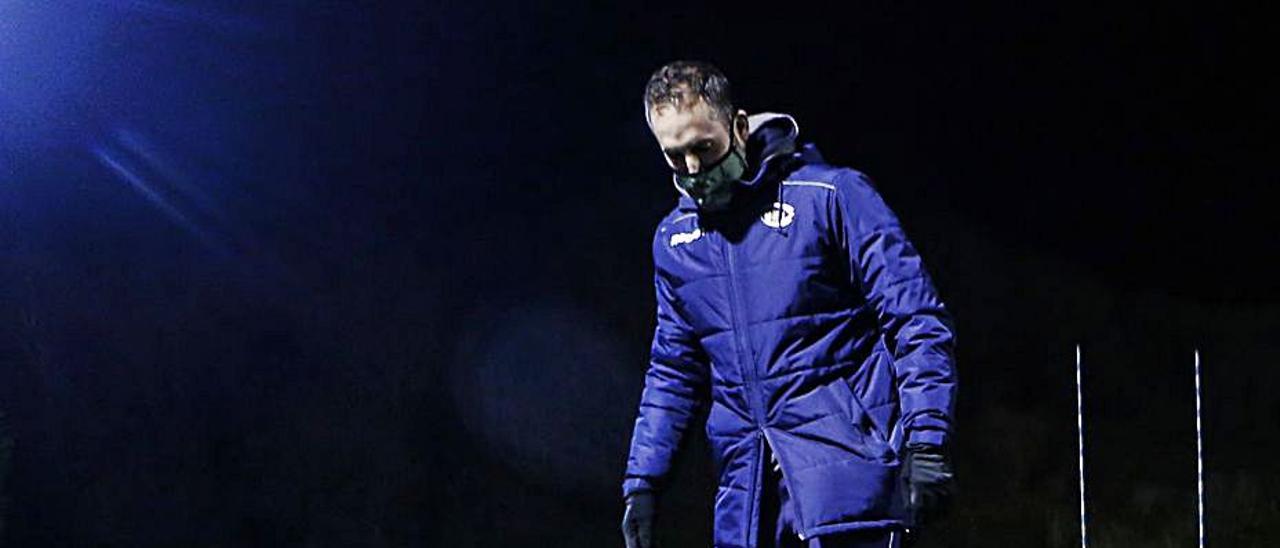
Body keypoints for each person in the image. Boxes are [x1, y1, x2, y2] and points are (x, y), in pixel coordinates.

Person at [620, 61, 958, 548]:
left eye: (703, 147)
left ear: (738, 126)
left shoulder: (832, 196)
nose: (694, 169)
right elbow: (673, 369)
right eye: (676, 157)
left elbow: (916, 318)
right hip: (748, 506)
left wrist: (927, 440)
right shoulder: (675, 242)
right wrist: (643, 483)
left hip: (851, 491)